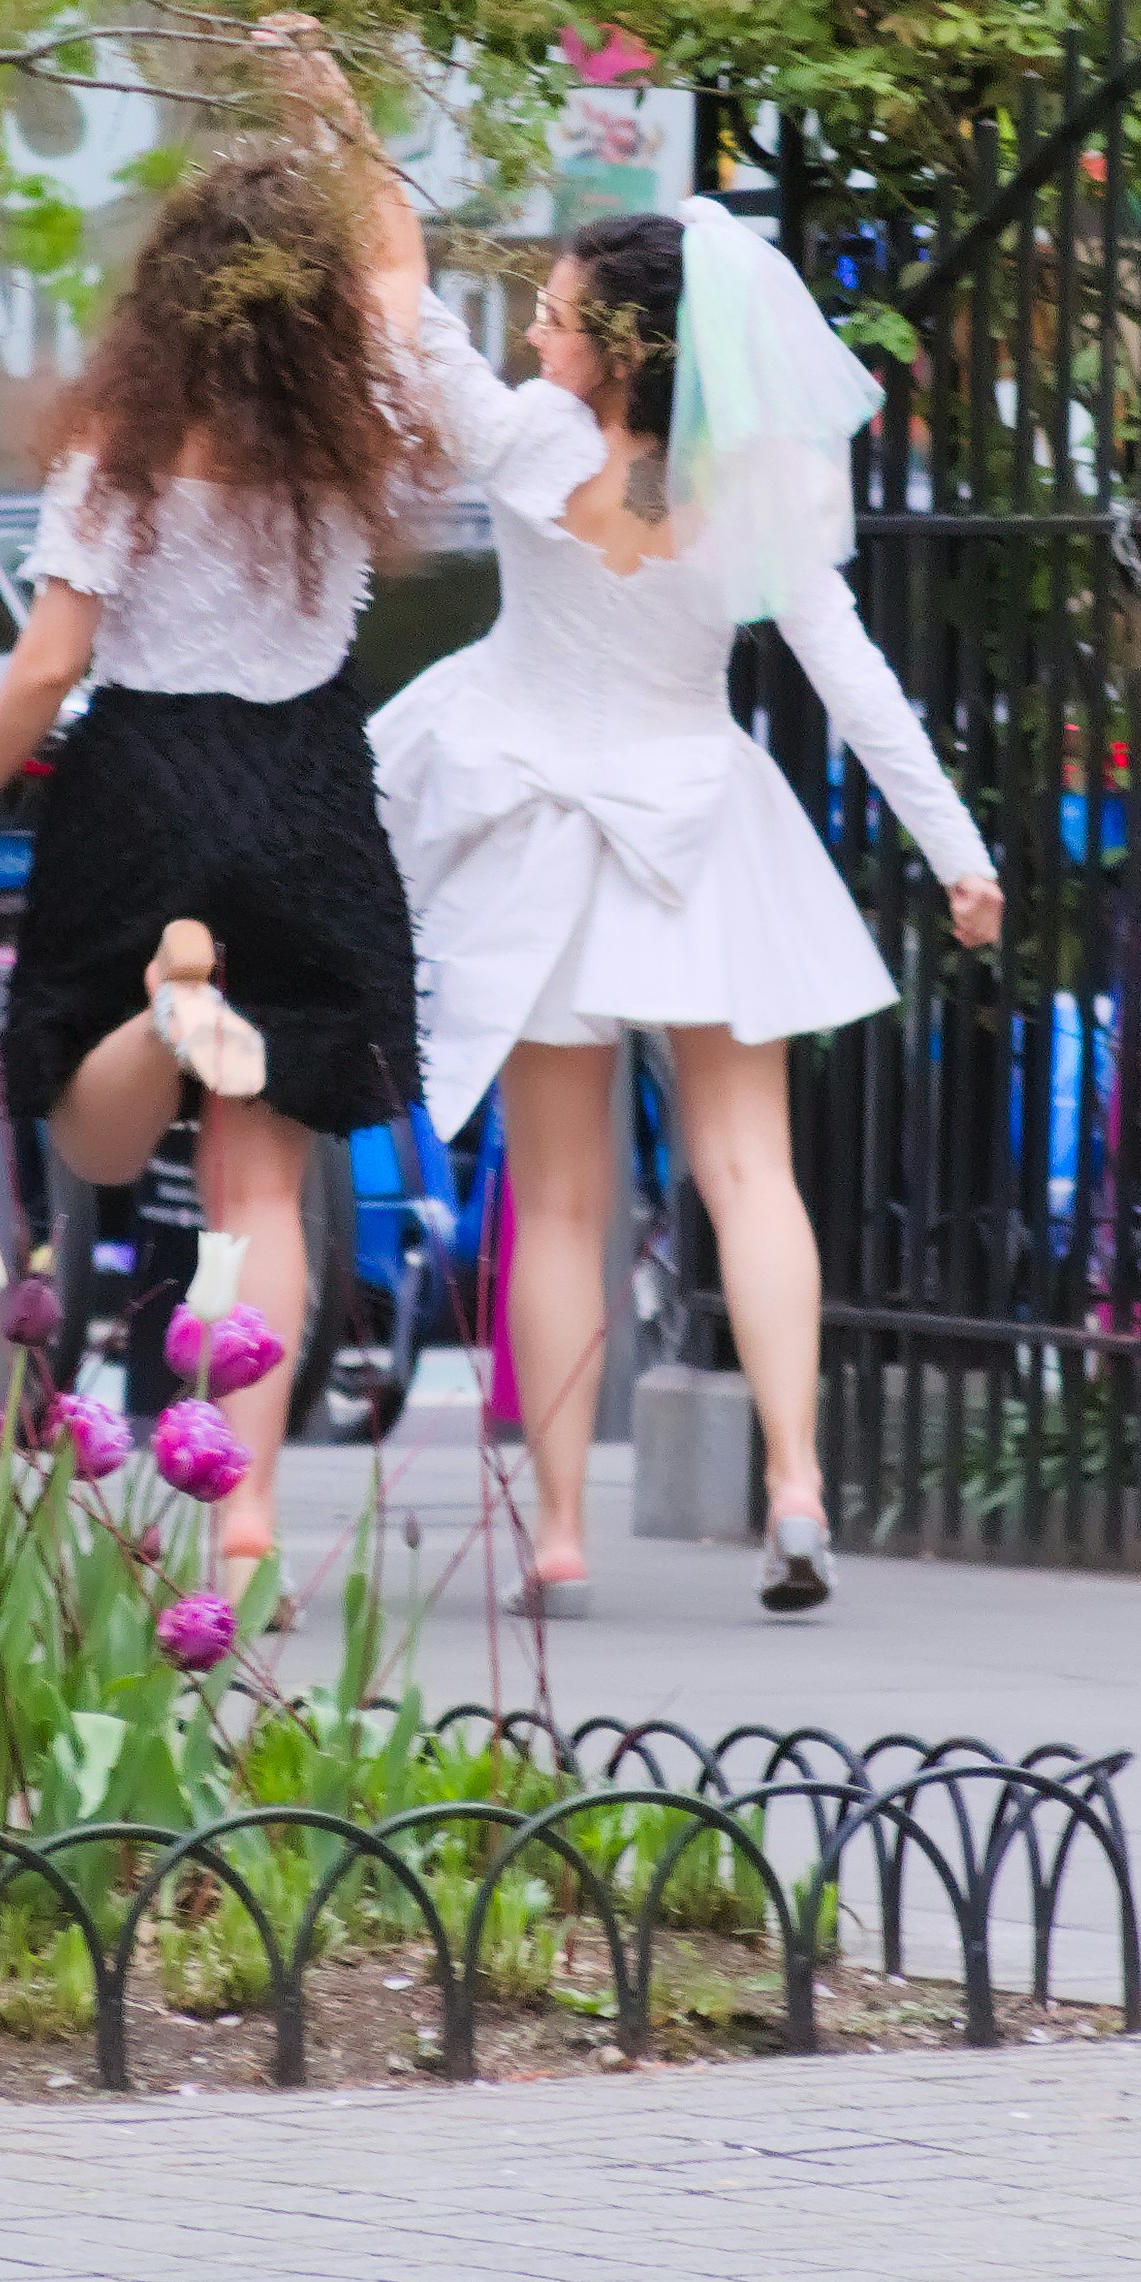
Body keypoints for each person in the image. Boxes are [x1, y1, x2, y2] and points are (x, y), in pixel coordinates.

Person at [368, 205, 1000, 1616]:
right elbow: (855, 683)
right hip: (697, 825)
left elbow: (401, 299)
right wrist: (955, 850)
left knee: (559, 1200)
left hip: (534, 825)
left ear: (615, 344)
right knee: (746, 1169)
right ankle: (792, 1481)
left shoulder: (533, 444)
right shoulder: (746, 489)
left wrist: (342, 130)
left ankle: (558, 1536)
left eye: (552, 311)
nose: (532, 328)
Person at [0, 29, 427, 1602]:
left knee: (89, 1116)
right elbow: (395, 246)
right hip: (305, 784)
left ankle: (162, 1011)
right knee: (262, 1190)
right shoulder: (363, 420)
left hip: (143, 783)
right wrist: (331, 108)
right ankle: (249, 1504)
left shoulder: (117, 456)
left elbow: (50, 659)